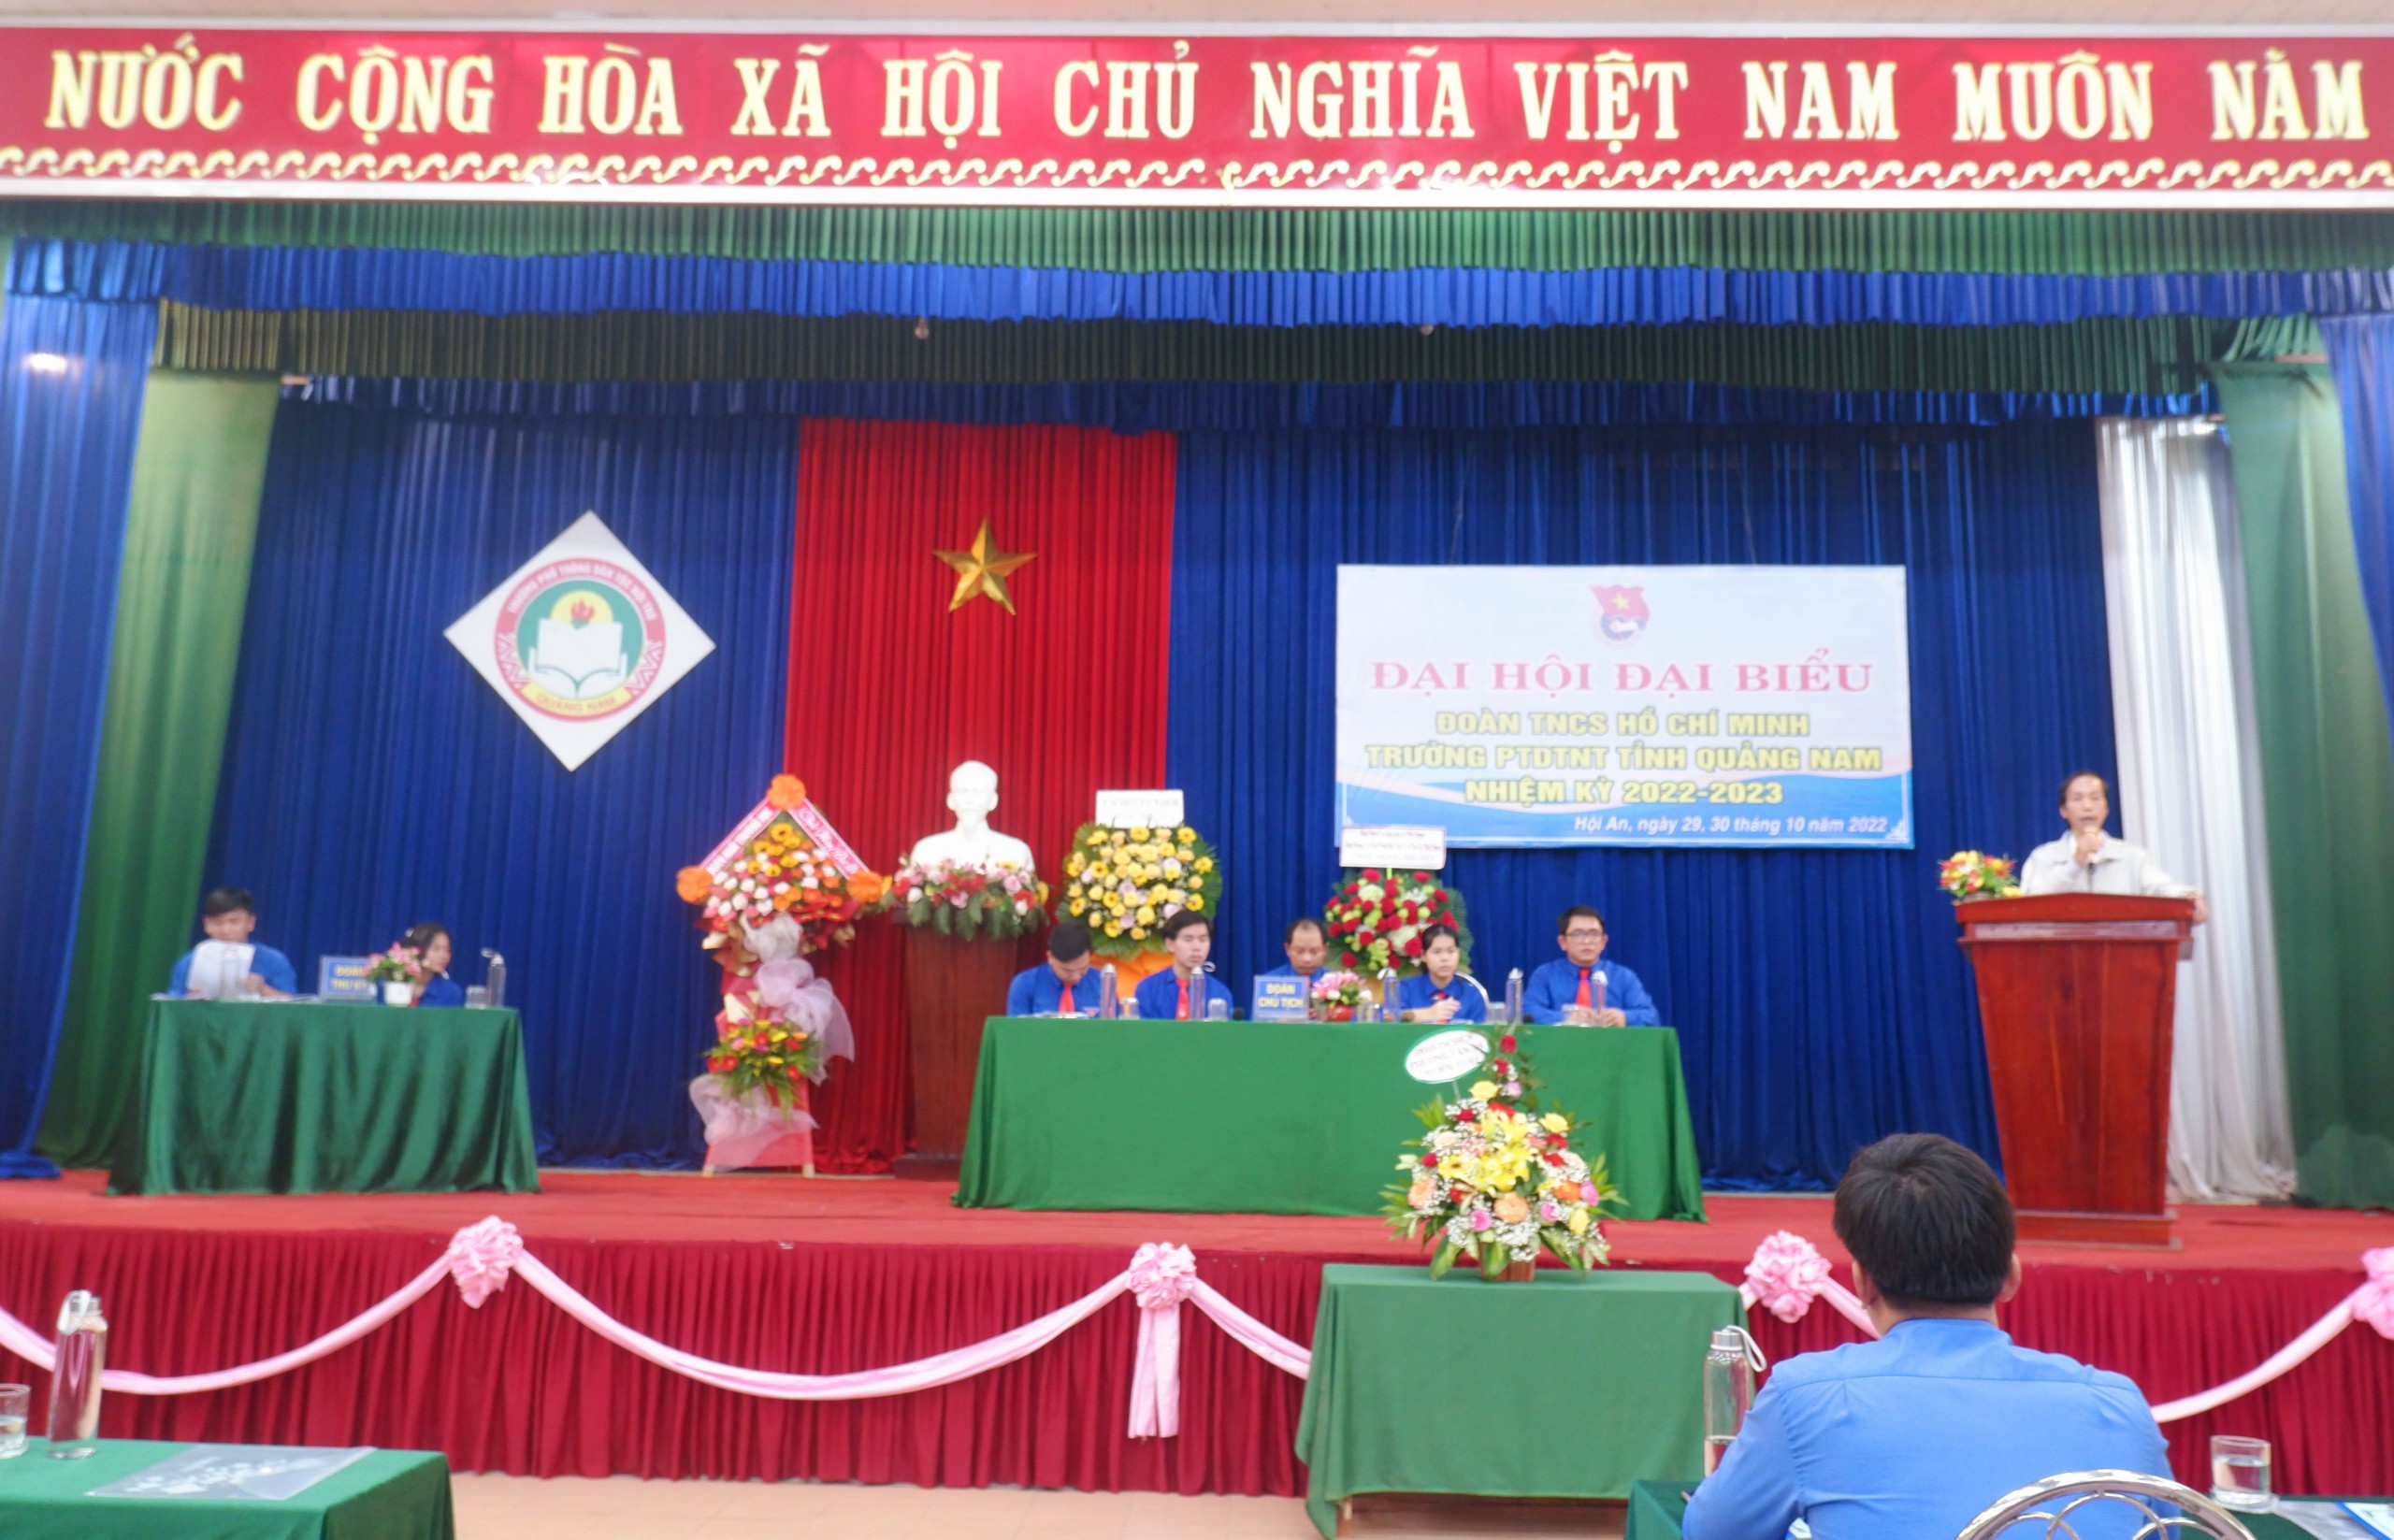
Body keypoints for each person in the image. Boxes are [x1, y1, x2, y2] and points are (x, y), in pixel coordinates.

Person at [1683, 1133, 2170, 1540]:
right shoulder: (2118, 1404)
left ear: (1863, 1283)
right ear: (2011, 1277)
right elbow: (2167, 1529)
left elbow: (1712, 1532)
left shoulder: (1807, 1398)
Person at [2021, 771, 2209, 922]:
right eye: (2077, 799)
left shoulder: (2131, 856)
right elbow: (2029, 904)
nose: (2087, 806)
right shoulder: (2044, 857)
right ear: (2063, 811)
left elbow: (2161, 888)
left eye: (2095, 798)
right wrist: (2075, 863)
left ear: (2106, 809)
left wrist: (2188, 896)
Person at [1520, 905, 1657, 1025]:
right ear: (1563, 942)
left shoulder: (1623, 977)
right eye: (1578, 934)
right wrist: (1565, 1018)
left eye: (1594, 934)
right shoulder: (1545, 975)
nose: (1587, 941)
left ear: (1603, 941)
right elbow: (1528, 1012)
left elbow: (1651, 1016)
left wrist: (1625, 1017)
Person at [166, 886, 299, 999]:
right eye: (217, 923)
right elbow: (172, 1005)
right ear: (207, 924)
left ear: (251, 923)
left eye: (234, 922)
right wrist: (188, 999)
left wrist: (262, 989)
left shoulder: (273, 960)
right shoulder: (190, 961)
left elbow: (292, 1006)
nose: (226, 930)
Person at [1132, 910, 1224, 1020]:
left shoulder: (1219, 992)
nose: (1197, 947)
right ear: (1170, 944)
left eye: (1203, 940)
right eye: (1188, 940)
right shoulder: (1148, 988)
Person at [1390, 924, 1487, 1023]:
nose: (1445, 958)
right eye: (1437, 952)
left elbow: (1481, 1030)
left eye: (1451, 951)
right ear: (1423, 955)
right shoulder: (1405, 988)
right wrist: (1427, 1014)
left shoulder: (1472, 994)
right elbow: (1387, 1017)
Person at [1006, 920, 1100, 1016]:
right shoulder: (1025, 983)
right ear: (1050, 957)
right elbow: (1016, 1025)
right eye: (1067, 971)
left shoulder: (1102, 984)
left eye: (1083, 969)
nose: (1076, 977)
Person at [403, 923, 468, 1007]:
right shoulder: (391, 984)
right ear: (417, 950)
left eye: (447, 950)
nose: (443, 956)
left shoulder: (451, 992)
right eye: (436, 949)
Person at [1258, 917, 1329, 988]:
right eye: (1299, 951)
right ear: (1287, 949)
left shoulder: (1334, 984)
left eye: (1314, 952)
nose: (1307, 959)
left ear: (1325, 949)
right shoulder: (1269, 984)